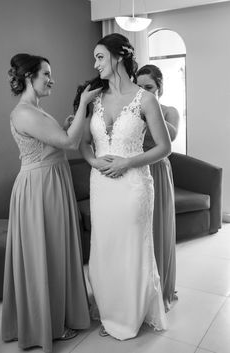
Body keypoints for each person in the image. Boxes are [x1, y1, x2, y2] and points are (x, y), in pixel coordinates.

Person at [2, 53, 101, 353]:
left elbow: (59, 139)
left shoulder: (37, 110)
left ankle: (61, 313)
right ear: (29, 77)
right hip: (39, 188)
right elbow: (70, 143)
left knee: (57, 250)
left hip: (52, 182)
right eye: (46, 74)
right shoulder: (23, 112)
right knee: (45, 252)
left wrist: (71, 122)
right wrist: (83, 103)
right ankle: (48, 324)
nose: (51, 80)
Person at [79, 33, 171, 340]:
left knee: (130, 248)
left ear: (118, 56)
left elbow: (164, 147)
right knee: (104, 248)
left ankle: (129, 315)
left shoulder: (146, 99)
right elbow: (84, 143)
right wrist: (92, 162)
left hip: (133, 185)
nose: (95, 64)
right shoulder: (94, 97)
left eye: (100, 57)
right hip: (101, 185)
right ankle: (109, 310)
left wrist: (127, 162)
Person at [136, 64, 180, 311]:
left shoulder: (169, 111)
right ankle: (139, 290)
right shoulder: (131, 111)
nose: (143, 92)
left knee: (158, 229)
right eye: (139, 87)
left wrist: (150, 113)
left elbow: (170, 136)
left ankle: (160, 289)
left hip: (158, 173)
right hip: (136, 173)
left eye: (149, 87)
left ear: (160, 88)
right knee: (139, 233)